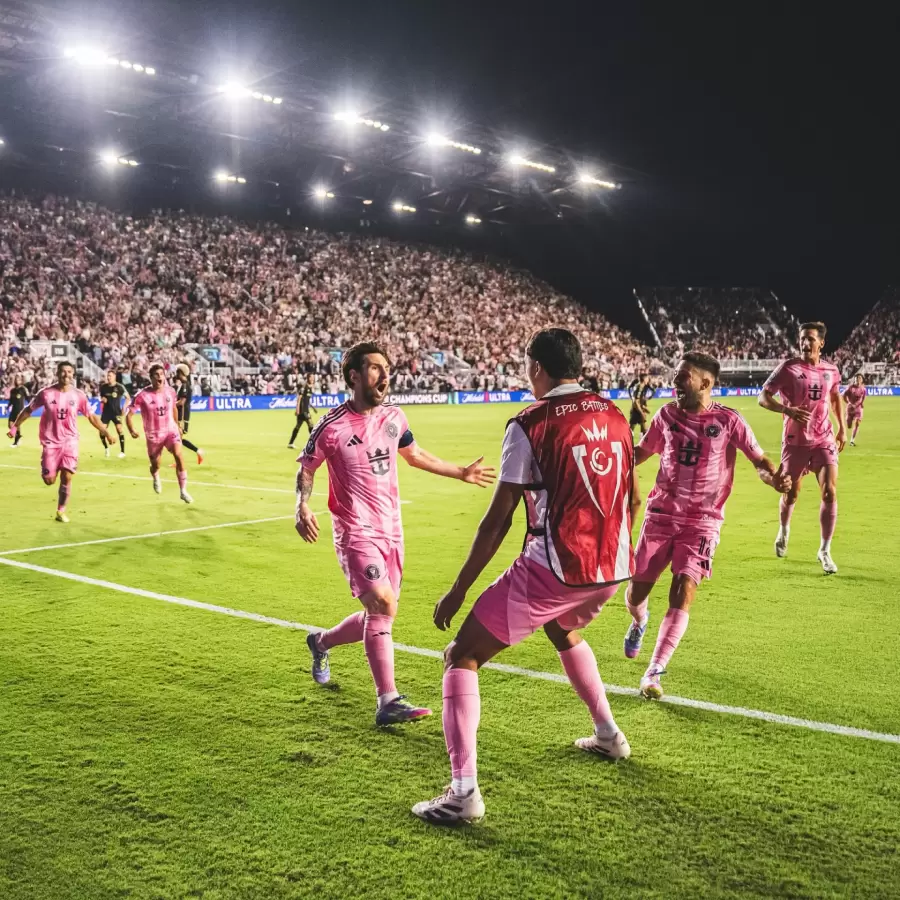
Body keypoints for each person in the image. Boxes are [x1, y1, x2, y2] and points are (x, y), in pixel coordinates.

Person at [412, 328, 638, 826]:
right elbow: (633, 497)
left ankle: (463, 792)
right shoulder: (615, 414)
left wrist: (458, 589)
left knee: (462, 654)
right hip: (613, 565)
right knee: (563, 628)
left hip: (557, 565)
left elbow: (498, 519)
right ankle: (608, 736)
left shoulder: (530, 423)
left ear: (538, 366)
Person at [295, 341, 496, 728]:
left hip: (392, 530)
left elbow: (415, 455)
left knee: (381, 613)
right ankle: (388, 700)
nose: (385, 375)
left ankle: (320, 642)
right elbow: (307, 468)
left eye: (387, 368)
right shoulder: (331, 427)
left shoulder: (395, 418)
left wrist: (460, 471)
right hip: (355, 530)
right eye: (374, 368)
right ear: (354, 376)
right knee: (383, 605)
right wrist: (301, 505)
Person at [622, 352, 791, 701]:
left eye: (682, 376)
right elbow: (640, 452)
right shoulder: (666, 415)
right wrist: (610, 458)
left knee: (684, 588)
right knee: (638, 591)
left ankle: (654, 671)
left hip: (703, 521)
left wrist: (773, 478)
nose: (674, 382)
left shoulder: (729, 420)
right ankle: (639, 621)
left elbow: (758, 460)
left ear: (705, 383)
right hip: (660, 516)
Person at [759, 322, 845, 574]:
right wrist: (786, 410)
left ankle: (825, 550)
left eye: (810, 339)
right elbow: (763, 397)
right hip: (795, 443)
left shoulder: (831, 369)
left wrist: (841, 427)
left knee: (829, 491)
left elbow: (835, 396)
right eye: (802, 338)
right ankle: (784, 531)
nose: (805, 343)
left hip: (824, 440)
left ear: (821, 343)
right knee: (791, 494)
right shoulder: (788, 368)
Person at [7, 361, 111, 522]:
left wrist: (105, 432)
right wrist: (15, 427)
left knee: (67, 476)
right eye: (63, 371)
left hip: (70, 441)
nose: (66, 374)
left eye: (69, 372)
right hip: (51, 442)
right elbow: (29, 410)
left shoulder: (79, 395)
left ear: (73, 375)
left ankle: (61, 511)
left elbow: (91, 416)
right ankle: (50, 471)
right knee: (49, 480)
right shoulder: (46, 393)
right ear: (57, 373)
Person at [126, 363, 193, 503]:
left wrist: (178, 425)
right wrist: (132, 429)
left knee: (179, 455)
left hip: (170, 430)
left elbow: (173, 408)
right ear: (151, 378)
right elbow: (129, 414)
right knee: (156, 464)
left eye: (161, 374)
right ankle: (156, 475)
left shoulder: (171, 392)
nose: (160, 377)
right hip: (154, 435)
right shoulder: (143, 395)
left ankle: (183, 490)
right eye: (156, 375)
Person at [174, 365, 204, 464]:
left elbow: (182, 402)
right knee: (177, 439)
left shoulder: (185, 385)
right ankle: (197, 452)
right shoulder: (184, 384)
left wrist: (170, 405)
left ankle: (197, 452)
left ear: (181, 373)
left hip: (181, 416)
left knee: (177, 439)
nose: (176, 374)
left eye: (178, 372)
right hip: (180, 415)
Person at [99, 369, 130, 458]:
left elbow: (128, 398)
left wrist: (124, 407)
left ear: (114, 377)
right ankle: (106, 449)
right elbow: (102, 397)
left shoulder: (120, 387)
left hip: (116, 412)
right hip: (106, 413)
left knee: (119, 429)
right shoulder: (104, 387)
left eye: (110, 376)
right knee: (102, 431)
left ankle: (122, 452)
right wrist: (103, 399)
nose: (108, 378)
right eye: (108, 376)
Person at [288, 373, 317, 449]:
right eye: (311, 377)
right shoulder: (304, 387)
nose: (312, 379)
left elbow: (307, 400)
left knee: (298, 426)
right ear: (308, 378)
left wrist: (313, 407)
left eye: (313, 378)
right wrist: (297, 410)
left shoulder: (310, 388)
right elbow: (299, 398)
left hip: (305, 409)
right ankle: (313, 444)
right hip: (303, 410)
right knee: (311, 425)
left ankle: (290, 443)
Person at [843, 374, 867, 447]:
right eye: (856, 378)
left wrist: (860, 404)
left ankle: (852, 441)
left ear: (862, 380)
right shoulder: (850, 388)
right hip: (850, 409)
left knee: (857, 423)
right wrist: (848, 403)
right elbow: (844, 395)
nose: (858, 380)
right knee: (849, 425)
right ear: (854, 379)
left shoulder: (863, 389)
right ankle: (848, 423)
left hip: (858, 409)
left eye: (859, 378)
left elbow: (862, 399)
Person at [7, 375, 29, 447]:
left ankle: (16, 442)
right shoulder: (12, 390)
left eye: (19, 379)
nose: (17, 381)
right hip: (13, 410)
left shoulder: (23, 389)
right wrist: (8, 407)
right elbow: (11, 400)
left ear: (21, 381)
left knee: (17, 425)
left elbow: (28, 398)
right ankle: (18, 436)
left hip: (20, 410)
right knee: (10, 426)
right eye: (16, 379)